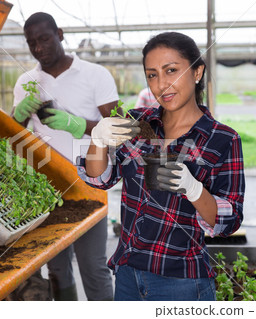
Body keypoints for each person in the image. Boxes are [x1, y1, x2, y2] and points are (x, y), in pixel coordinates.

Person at [77, 32, 245, 301]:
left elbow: (228, 221)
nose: (162, 84)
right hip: (128, 274)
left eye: (171, 71)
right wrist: (98, 140)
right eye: (152, 75)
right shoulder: (137, 123)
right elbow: (100, 179)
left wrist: (193, 189)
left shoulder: (222, 139)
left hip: (182, 282)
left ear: (197, 71)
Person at [11, 12, 117, 301]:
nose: (38, 48)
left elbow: (121, 128)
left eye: (44, 38)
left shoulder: (95, 75)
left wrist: (79, 125)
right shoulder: (26, 82)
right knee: (56, 268)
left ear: (60, 33)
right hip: (46, 186)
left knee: (93, 267)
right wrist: (17, 116)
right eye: (31, 42)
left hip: (89, 183)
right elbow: (12, 134)